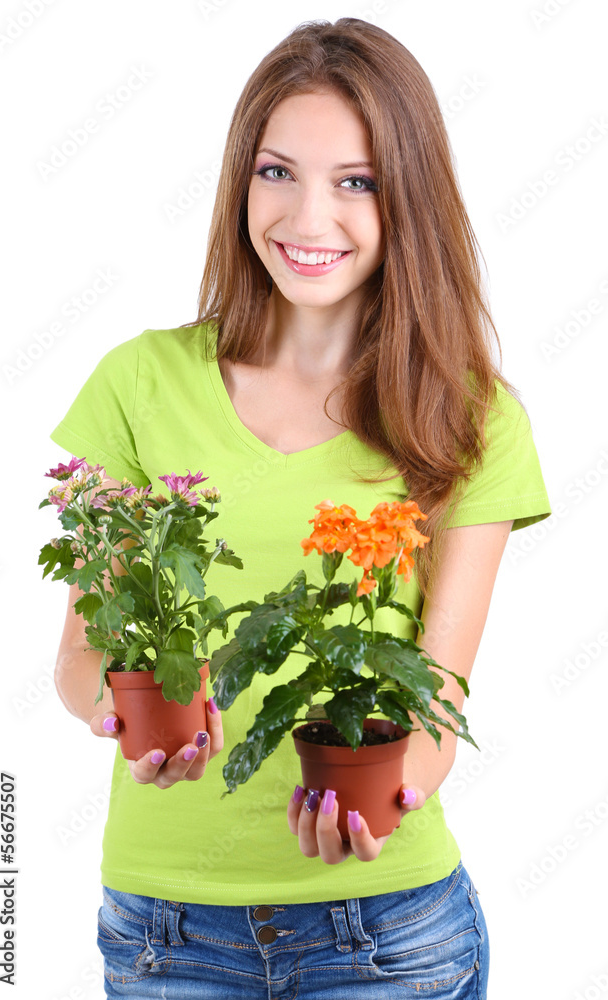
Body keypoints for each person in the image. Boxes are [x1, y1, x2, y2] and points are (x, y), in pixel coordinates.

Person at [51, 18, 550, 997]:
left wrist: (385, 797)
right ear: (240, 181)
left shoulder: (467, 414)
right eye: (276, 172)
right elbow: (79, 656)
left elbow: (435, 698)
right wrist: (123, 714)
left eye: (355, 181)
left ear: (408, 198)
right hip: (164, 934)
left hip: (387, 941)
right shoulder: (137, 382)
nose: (307, 216)